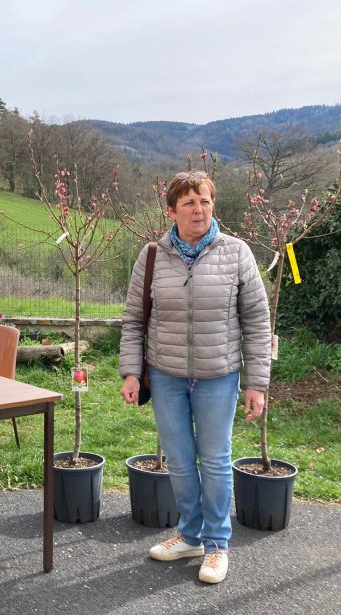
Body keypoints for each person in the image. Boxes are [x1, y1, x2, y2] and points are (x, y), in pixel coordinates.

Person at [119, 170, 271, 584]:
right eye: (188, 202)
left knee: (217, 460)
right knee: (181, 462)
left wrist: (257, 383)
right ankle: (190, 534)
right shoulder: (151, 256)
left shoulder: (236, 253)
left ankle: (217, 544)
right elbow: (133, 320)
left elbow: (257, 322)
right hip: (164, 375)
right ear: (171, 211)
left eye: (204, 201)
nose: (198, 209)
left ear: (213, 205)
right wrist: (132, 372)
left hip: (217, 376)